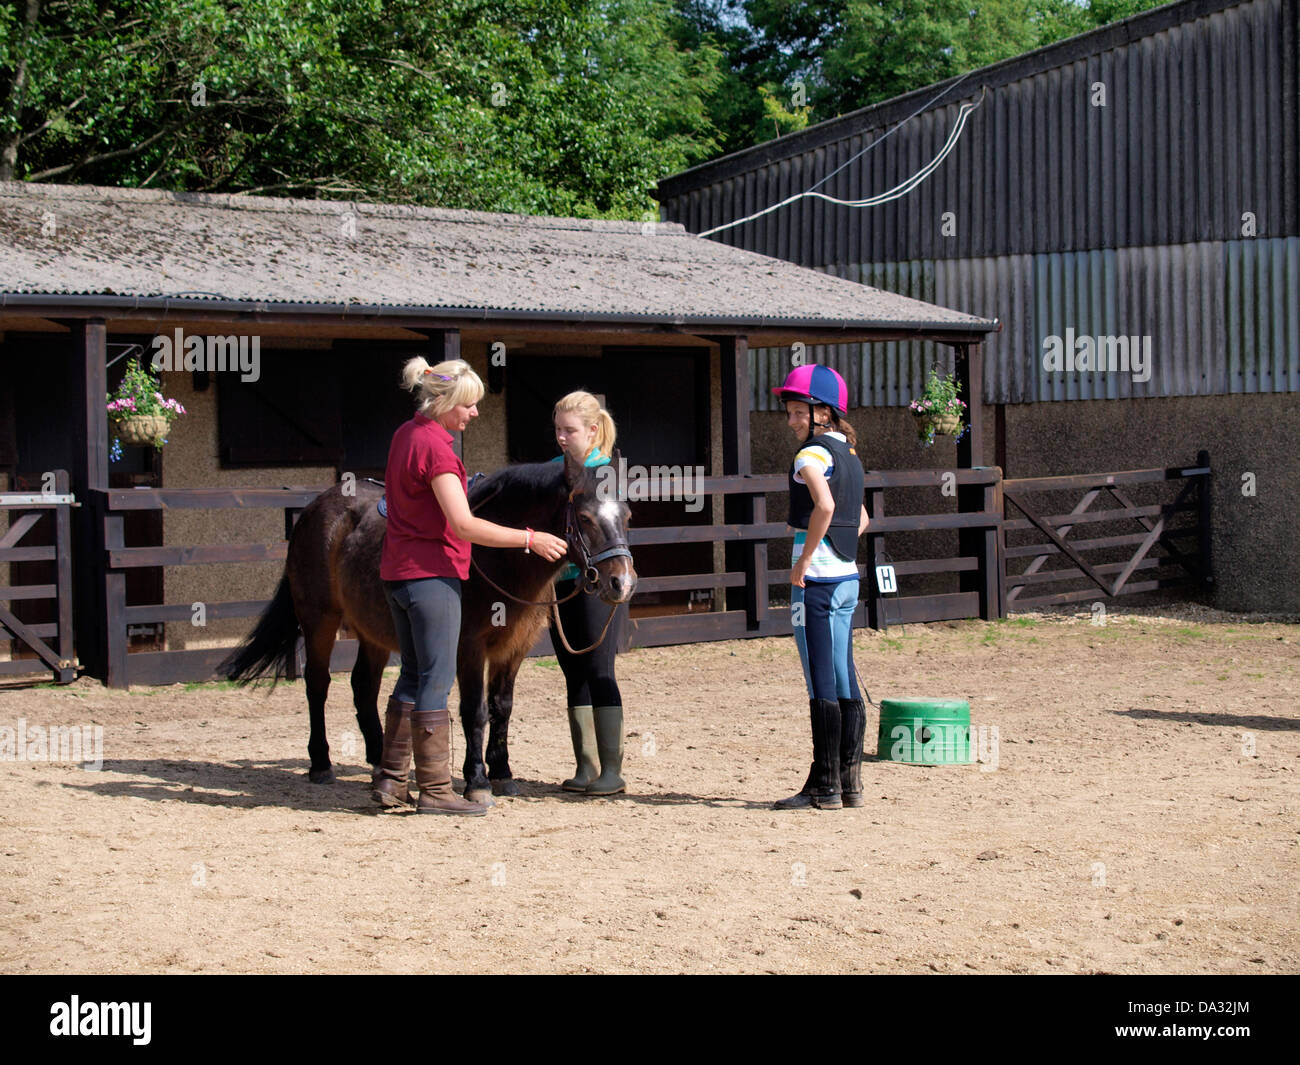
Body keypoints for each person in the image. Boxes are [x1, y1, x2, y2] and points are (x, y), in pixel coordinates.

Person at [372, 357, 567, 815]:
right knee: (437, 681)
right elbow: (462, 524)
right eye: (469, 405)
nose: (474, 414)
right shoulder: (438, 450)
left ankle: (389, 780)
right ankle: (437, 791)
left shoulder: (406, 434)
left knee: (413, 674)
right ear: (444, 402)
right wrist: (529, 538)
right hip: (432, 577)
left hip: (397, 574)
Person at [771, 364, 869, 811]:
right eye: (790, 412)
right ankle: (849, 785)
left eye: (797, 412)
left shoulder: (809, 456)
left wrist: (807, 558)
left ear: (822, 413)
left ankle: (823, 786)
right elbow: (862, 518)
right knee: (844, 673)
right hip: (848, 578)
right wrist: (839, 549)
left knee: (820, 679)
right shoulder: (849, 454)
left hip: (818, 583)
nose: (791, 421)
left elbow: (824, 505)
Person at [550, 391, 627, 796]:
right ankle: (585, 766)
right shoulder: (554, 472)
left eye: (571, 430)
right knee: (572, 673)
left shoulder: (607, 474)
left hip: (597, 586)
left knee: (600, 671)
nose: (562, 437)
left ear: (593, 431)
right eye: (558, 429)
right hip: (561, 584)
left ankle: (612, 770)